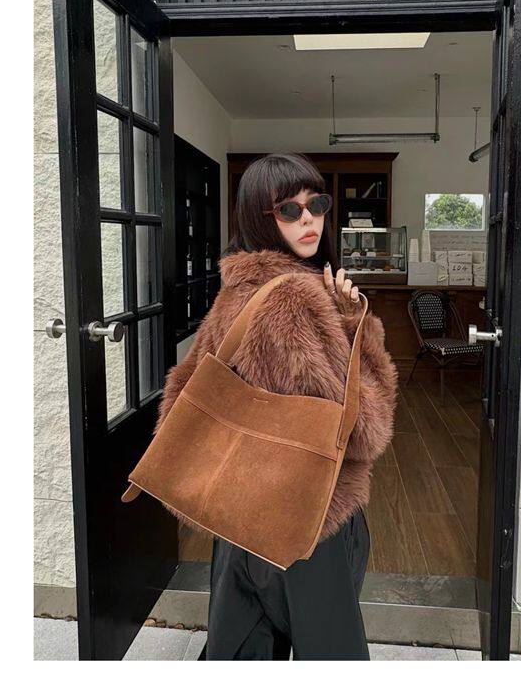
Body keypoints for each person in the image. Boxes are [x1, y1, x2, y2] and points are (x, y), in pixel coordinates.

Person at [154, 152, 398, 660]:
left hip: (239, 518)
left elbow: (181, 395)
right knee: (330, 656)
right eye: (289, 209)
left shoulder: (235, 292)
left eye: (317, 204)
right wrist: (359, 327)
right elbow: (363, 432)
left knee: (240, 652)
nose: (309, 219)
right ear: (260, 218)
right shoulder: (298, 300)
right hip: (307, 524)